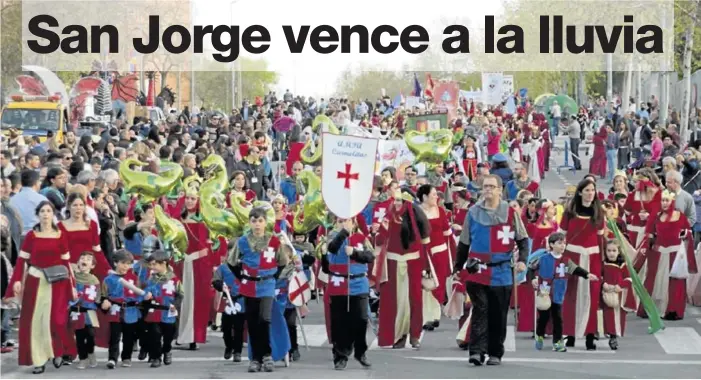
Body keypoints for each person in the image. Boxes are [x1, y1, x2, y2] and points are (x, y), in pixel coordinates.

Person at [453, 174, 529, 366]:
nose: (487, 189)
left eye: (491, 186)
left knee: (498, 313)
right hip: (477, 270)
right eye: (485, 186)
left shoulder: (510, 213)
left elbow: (522, 239)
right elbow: (464, 243)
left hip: (502, 271)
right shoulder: (472, 212)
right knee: (480, 309)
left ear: (499, 189)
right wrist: (457, 267)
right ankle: (476, 351)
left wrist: (523, 260)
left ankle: (495, 352)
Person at [4, 201, 74, 374]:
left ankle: (57, 351)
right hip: (35, 281)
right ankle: (39, 359)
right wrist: (17, 280)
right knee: (36, 322)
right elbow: (21, 260)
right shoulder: (32, 236)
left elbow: (66, 262)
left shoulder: (60, 235)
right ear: (38, 214)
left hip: (57, 282)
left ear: (53, 215)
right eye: (42, 211)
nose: (45, 214)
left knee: (56, 321)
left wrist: (72, 285)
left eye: (49, 211)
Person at [226, 206, 292, 373]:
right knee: (253, 322)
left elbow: (283, 262)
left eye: (260, 221)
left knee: (265, 319)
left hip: (267, 285)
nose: (257, 224)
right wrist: (242, 277)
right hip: (249, 285)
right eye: (254, 221)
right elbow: (232, 262)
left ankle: (267, 355)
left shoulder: (274, 241)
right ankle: (256, 358)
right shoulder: (242, 242)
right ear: (250, 222)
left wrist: (272, 278)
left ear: (265, 222)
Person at [372, 187, 431, 349]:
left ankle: (414, 335)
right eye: (395, 200)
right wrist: (377, 233)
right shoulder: (388, 217)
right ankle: (397, 336)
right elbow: (379, 241)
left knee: (413, 301)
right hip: (392, 265)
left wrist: (426, 267)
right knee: (394, 302)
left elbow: (425, 245)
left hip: (413, 264)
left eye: (400, 200)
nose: (397, 203)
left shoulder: (417, 218)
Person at [530, 232, 599, 352]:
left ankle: (557, 342)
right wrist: (533, 279)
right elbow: (531, 269)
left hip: (558, 293)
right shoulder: (543, 258)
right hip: (544, 292)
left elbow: (576, 269)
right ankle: (539, 334)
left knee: (558, 318)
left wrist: (587, 274)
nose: (563, 246)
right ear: (551, 244)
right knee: (544, 318)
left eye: (564, 243)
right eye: (559, 243)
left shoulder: (566, 260)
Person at [635, 189, 698, 320]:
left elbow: (688, 233)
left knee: (675, 283)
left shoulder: (680, 216)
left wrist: (684, 234)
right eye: (662, 200)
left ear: (672, 202)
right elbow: (650, 235)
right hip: (658, 255)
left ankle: (672, 309)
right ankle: (652, 307)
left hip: (675, 256)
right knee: (655, 281)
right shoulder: (656, 217)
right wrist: (649, 241)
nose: (664, 203)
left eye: (667, 200)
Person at [323, 217, 374, 370]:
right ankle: (340, 355)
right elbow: (331, 249)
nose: (345, 223)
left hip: (358, 284)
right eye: (340, 221)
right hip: (339, 283)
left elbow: (370, 256)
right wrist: (344, 232)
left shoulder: (361, 238)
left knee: (361, 319)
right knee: (340, 322)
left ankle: (360, 352)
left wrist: (355, 254)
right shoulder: (332, 237)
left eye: (348, 221)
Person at [560, 178, 605, 350]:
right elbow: (562, 235)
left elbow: (600, 240)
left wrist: (601, 264)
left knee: (592, 296)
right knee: (571, 295)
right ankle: (570, 334)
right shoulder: (570, 211)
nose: (590, 193)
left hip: (592, 257)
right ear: (580, 192)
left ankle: (590, 335)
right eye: (586, 190)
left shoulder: (598, 212)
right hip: (573, 256)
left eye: (592, 190)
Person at [417, 184, 454, 331]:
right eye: (433, 195)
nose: (436, 197)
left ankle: (435, 315)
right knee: (426, 284)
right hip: (424, 254)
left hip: (441, 254)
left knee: (438, 284)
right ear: (424, 196)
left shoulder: (440, 211)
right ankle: (427, 316)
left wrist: (454, 254)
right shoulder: (416, 212)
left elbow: (447, 234)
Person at [101, 249, 145, 369]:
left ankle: (126, 357)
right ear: (115, 263)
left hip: (130, 311)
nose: (126, 266)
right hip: (115, 310)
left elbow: (140, 294)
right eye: (123, 263)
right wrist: (104, 301)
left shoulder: (134, 278)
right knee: (114, 336)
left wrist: (143, 299)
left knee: (129, 336)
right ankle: (112, 358)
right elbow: (104, 295)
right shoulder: (108, 279)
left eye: (128, 263)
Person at [142, 249, 184, 368]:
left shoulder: (175, 279)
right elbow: (146, 291)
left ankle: (167, 350)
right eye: (151, 264)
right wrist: (147, 295)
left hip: (168, 312)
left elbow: (181, 294)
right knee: (155, 335)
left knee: (168, 336)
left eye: (154, 264)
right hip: (155, 311)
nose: (152, 267)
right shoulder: (151, 279)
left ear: (164, 263)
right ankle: (156, 357)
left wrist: (175, 305)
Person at [70, 251, 101, 370]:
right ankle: (83, 358)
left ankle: (91, 352)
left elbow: (97, 296)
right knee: (79, 336)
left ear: (92, 266)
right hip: (77, 311)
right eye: (82, 258)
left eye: (88, 259)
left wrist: (99, 302)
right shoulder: (73, 279)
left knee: (91, 335)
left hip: (91, 311)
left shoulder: (95, 280)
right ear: (77, 262)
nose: (84, 260)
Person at [601, 239, 633, 351]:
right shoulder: (603, 264)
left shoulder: (623, 265)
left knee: (618, 317)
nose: (611, 253)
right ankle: (611, 334)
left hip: (619, 296)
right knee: (608, 316)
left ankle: (615, 336)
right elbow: (600, 276)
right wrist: (603, 284)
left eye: (614, 250)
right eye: (609, 250)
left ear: (619, 251)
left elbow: (629, 279)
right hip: (607, 294)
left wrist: (621, 285)